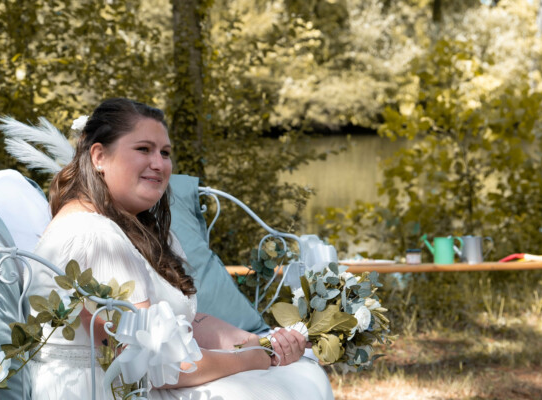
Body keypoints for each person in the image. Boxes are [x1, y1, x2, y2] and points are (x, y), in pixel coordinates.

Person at [26, 98, 334, 399]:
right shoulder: (93, 235)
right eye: (143, 149)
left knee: (297, 374)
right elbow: (159, 364)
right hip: (105, 390)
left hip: (148, 380)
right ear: (99, 157)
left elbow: (184, 324)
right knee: (284, 387)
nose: (158, 164)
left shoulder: (134, 228)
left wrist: (261, 343)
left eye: (165, 152)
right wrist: (254, 358)